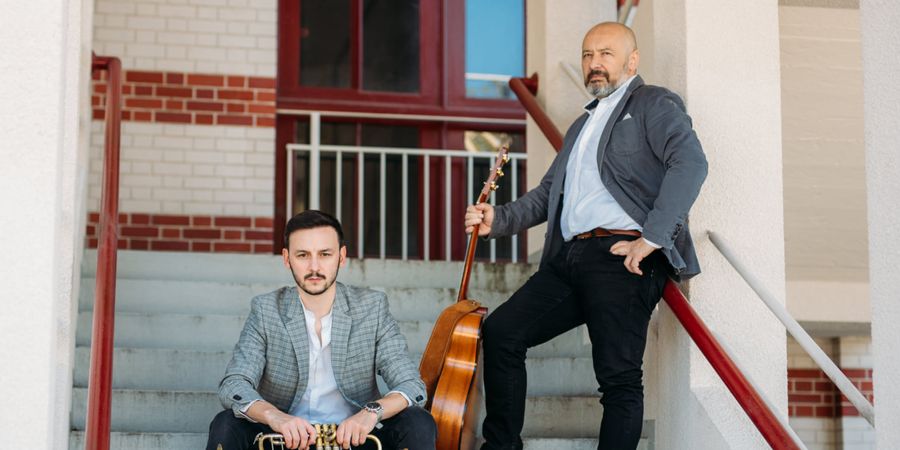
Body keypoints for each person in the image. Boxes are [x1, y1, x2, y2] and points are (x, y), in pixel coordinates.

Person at [465, 22, 708, 450]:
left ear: (632, 61)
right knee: (503, 332)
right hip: (568, 260)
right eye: (587, 55)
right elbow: (547, 194)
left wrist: (651, 238)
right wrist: (497, 220)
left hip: (622, 257)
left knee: (618, 379)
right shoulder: (582, 125)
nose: (594, 64)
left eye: (606, 54)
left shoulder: (653, 103)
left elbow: (690, 164)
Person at [206, 210, 436, 450]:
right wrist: (274, 416)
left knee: (418, 422)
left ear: (341, 256)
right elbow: (234, 384)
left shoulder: (372, 308)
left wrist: (371, 413)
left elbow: (412, 386)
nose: (314, 267)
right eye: (303, 255)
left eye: (325, 254)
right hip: (285, 439)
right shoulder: (266, 310)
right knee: (225, 424)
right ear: (287, 258)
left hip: (355, 439)